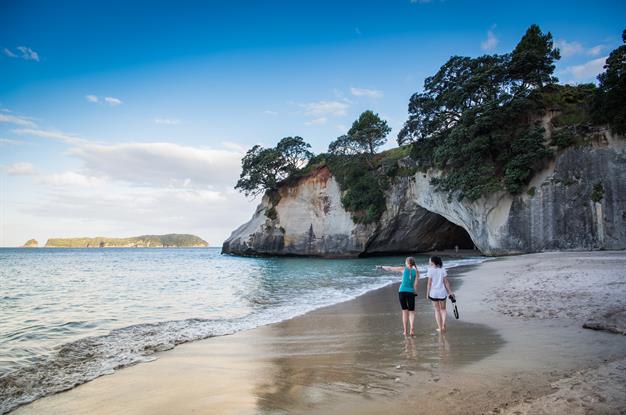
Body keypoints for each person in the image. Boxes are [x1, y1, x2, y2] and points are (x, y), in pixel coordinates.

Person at [377, 257, 419, 336]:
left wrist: (381, 267)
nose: (405, 263)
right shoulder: (416, 272)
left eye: (406, 262)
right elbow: (416, 284)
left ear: (408, 263)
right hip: (410, 292)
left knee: (404, 311)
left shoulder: (403, 269)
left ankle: (405, 331)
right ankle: (412, 328)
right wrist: (415, 292)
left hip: (402, 291)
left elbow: (390, 268)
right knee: (411, 312)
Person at [426, 256, 454, 332]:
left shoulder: (430, 270)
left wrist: (427, 293)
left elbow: (429, 283)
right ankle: (443, 324)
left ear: (433, 262)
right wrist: (450, 292)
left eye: (430, 260)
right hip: (442, 292)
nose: (429, 261)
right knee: (443, 309)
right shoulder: (443, 270)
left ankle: (440, 327)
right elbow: (446, 282)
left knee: (437, 310)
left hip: (433, 293)